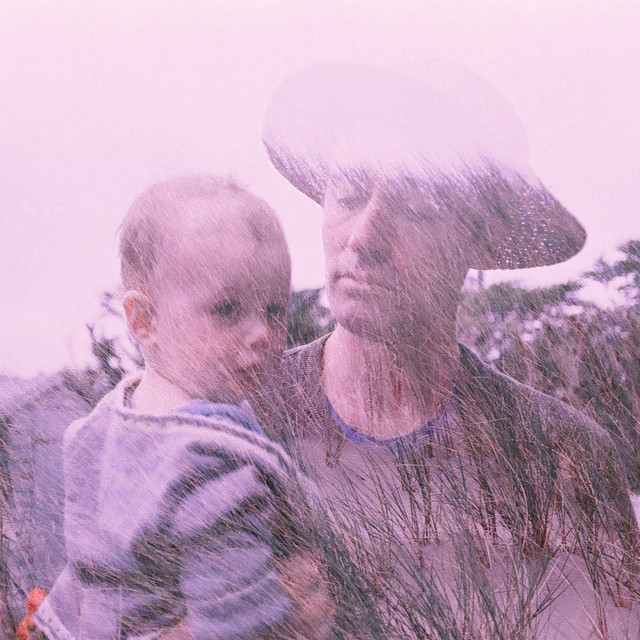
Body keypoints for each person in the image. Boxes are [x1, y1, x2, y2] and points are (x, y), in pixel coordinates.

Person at [259, 62, 640, 638]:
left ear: (479, 237)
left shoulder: (562, 458)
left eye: (416, 207)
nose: (363, 236)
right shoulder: (231, 423)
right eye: (349, 195)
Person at [33, 175, 332, 640]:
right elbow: (239, 623)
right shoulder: (209, 457)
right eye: (227, 309)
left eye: (274, 310)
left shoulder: (100, 429)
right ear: (145, 321)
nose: (262, 333)